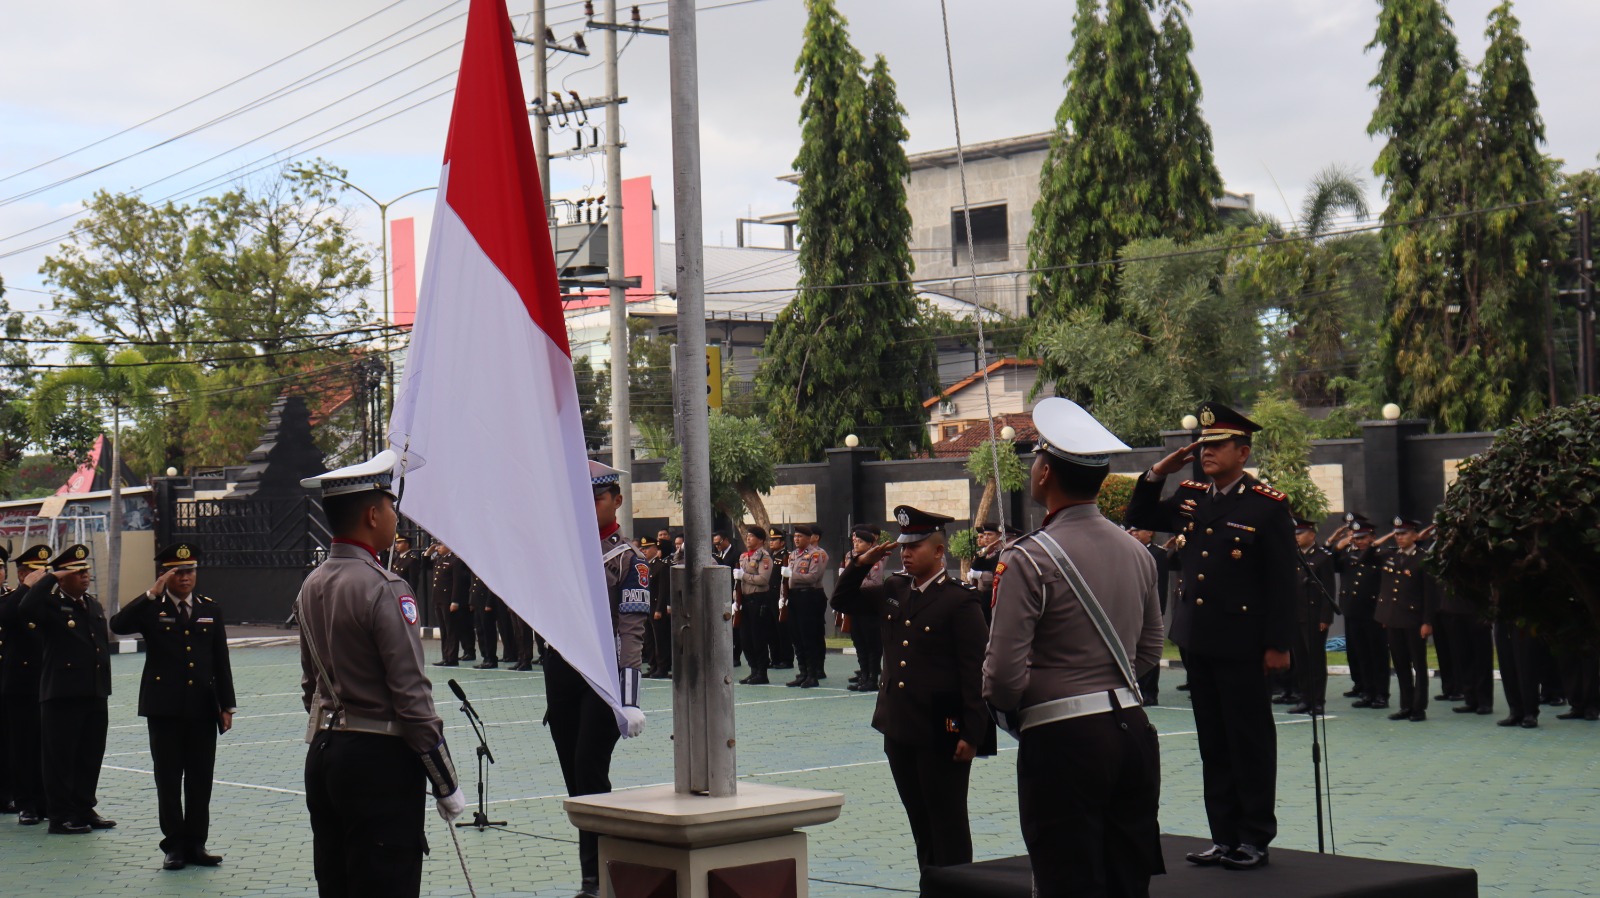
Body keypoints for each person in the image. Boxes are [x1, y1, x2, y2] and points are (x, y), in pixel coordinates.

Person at [985, 397, 1166, 897]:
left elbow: (1001, 675)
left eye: (1036, 461)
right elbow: (1150, 649)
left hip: (1063, 740)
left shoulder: (1028, 558)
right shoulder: (1138, 551)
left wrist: (1026, 704)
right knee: (1126, 882)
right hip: (1133, 730)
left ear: (1044, 475)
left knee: (1068, 883)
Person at [1124, 401, 1294, 872]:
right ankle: (1223, 837)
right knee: (1213, 742)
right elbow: (1138, 513)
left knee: (1249, 741)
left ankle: (1254, 837)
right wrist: (1159, 470)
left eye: (1217, 445)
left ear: (1243, 451)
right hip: (1198, 639)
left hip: (1242, 642)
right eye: (1202, 445)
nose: (1206, 453)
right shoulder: (1192, 495)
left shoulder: (1267, 506)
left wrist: (1279, 644)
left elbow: (1282, 582)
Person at [296, 451, 465, 898]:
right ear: (372, 514)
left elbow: (310, 686)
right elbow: (411, 697)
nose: (395, 516)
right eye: (391, 506)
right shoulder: (385, 586)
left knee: (337, 882)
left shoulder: (311, 584)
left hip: (326, 751)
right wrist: (445, 782)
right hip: (378, 761)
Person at [832, 505, 996, 870]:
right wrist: (860, 562)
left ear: (939, 551)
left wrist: (973, 732)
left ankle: (957, 890)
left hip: (943, 726)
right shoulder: (894, 587)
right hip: (900, 723)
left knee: (948, 824)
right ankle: (931, 887)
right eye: (903, 546)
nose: (905, 553)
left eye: (915, 546)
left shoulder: (960, 599)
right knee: (920, 822)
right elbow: (841, 601)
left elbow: (975, 670)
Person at [545, 461, 649, 898]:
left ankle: (597, 879)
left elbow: (631, 629)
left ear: (616, 501)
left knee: (590, 773)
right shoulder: (561, 553)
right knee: (575, 780)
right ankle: (597, 871)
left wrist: (627, 697)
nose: (588, 507)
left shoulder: (628, 558)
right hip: (560, 672)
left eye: (598, 497)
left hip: (602, 678)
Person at [108, 542, 237, 870]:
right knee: (168, 779)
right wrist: (151, 593)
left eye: (190, 571)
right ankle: (174, 845)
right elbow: (119, 624)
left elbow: (220, 660)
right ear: (166, 574)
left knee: (200, 779)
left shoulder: (211, 608)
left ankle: (197, 843)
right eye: (178, 572)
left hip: (202, 709)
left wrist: (227, 705)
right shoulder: (152, 609)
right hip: (164, 708)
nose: (185, 578)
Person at [19, 544, 116, 836]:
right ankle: (60, 816)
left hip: (94, 691)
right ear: (63, 577)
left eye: (86, 571)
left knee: (90, 755)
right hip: (62, 694)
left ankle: (84, 808)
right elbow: (26, 608)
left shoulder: (92, 604)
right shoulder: (48, 605)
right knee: (61, 758)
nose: (86, 576)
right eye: (78, 572)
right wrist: (50, 576)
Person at [0, 545, 52, 826]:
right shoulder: (13, 600)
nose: (39, 576)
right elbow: (7, 616)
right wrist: (25, 589)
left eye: (42, 571)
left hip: (48, 681)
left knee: (48, 746)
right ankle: (26, 803)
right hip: (18, 683)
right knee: (21, 747)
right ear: (21, 574)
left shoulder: (49, 599)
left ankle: (46, 800)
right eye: (33, 571)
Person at [1375, 518, 1438, 722]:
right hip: (1394, 618)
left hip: (1414, 619)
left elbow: (1429, 594)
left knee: (1418, 665)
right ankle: (1405, 705)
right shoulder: (1391, 556)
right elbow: (1370, 558)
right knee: (1401, 665)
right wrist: (1386, 615)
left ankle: (1418, 708)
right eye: (1397, 534)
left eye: (1403, 534)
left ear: (1414, 535)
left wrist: (1427, 621)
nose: (1399, 538)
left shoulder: (1423, 559)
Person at [1330, 515, 1388, 709]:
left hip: (1373, 612)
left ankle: (1381, 694)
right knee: (1361, 654)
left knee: (1377, 655)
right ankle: (1367, 691)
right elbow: (1331, 563)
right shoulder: (1347, 555)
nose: (1359, 541)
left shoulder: (1380, 554)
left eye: (1363, 538)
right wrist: (1338, 544)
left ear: (1372, 537)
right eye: (1356, 538)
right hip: (1353, 611)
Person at [1291, 519, 1338, 716]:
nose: (1297, 537)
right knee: (1300, 659)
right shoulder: (1294, 556)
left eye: (1300, 533)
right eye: (1295, 533)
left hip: (1313, 615)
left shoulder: (1322, 558)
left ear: (1311, 534)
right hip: (1295, 615)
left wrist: (1325, 618)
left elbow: (1328, 589)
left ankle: (1318, 701)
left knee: (1315, 660)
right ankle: (1305, 698)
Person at [1127, 527, 1170, 706]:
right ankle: (1136, 688)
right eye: (1132, 531)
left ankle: (1150, 692)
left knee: (1149, 649)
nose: (1135, 533)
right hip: (1132, 606)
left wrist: (1157, 609)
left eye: (1139, 530)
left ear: (1150, 532)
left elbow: (1159, 584)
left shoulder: (1158, 554)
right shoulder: (1128, 549)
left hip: (1150, 607)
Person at [843, 525, 886, 693]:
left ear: (869, 545)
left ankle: (873, 678)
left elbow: (874, 583)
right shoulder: (852, 558)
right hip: (855, 605)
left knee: (872, 643)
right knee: (859, 642)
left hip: (869, 604)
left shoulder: (875, 559)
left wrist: (852, 582)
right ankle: (864, 675)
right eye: (855, 541)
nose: (856, 545)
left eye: (860, 542)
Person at [787, 524, 830, 688]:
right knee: (796, 636)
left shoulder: (816, 554)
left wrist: (792, 576)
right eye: (795, 537)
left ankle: (813, 674)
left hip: (809, 596)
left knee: (808, 636)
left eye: (800, 537)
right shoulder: (793, 555)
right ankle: (803, 672)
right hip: (794, 596)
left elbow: (813, 577)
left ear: (809, 538)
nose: (796, 539)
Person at [736, 526, 775, 685]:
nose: (748, 539)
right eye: (747, 536)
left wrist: (743, 576)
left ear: (760, 540)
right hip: (744, 600)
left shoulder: (764, 558)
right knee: (745, 639)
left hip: (758, 599)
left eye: (751, 536)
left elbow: (763, 580)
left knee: (758, 638)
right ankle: (753, 670)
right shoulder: (744, 556)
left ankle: (762, 672)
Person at [426, 542, 473, 667]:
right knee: (444, 630)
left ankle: (452, 658)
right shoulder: (440, 559)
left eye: (440, 545)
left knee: (451, 630)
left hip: (448, 600)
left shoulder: (455, 560)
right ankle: (445, 656)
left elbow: (457, 583)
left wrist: (455, 601)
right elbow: (425, 566)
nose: (438, 548)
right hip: (439, 599)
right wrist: (428, 552)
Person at [643, 537, 673, 679]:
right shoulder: (645, 566)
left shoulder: (661, 566)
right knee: (649, 639)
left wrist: (659, 609)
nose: (644, 551)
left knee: (660, 639)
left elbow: (663, 590)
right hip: (646, 607)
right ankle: (653, 665)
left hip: (655, 607)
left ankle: (662, 667)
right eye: (643, 548)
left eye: (647, 548)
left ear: (655, 549)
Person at [767, 529, 794, 670]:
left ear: (782, 542)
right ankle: (775, 658)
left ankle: (787, 659)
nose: (771, 542)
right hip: (770, 596)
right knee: (772, 630)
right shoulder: (770, 556)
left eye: (775, 540)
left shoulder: (786, 556)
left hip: (781, 596)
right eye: (770, 540)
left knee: (782, 629)